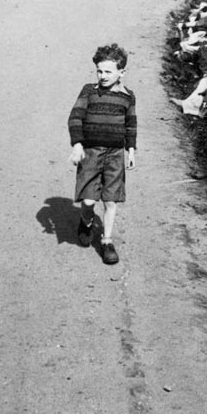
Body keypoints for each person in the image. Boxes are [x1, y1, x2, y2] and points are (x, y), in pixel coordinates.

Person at [68, 43, 137, 265]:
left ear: (121, 72)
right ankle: (86, 221)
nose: (103, 76)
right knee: (88, 201)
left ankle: (107, 241)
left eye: (108, 71)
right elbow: (75, 117)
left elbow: (131, 125)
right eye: (99, 71)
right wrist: (77, 144)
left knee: (110, 200)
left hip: (115, 154)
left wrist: (131, 149)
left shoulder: (127, 97)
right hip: (91, 152)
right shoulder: (89, 91)